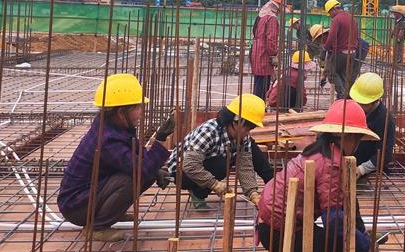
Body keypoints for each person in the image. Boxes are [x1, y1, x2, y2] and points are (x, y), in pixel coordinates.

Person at [256, 99, 387, 252]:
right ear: (347, 137)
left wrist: (361, 234)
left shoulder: (322, 151)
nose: (357, 145)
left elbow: (348, 202)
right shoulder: (331, 164)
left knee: (349, 240)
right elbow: (333, 220)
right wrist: (362, 245)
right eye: (358, 139)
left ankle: (289, 251)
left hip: (274, 223)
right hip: (279, 232)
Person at [58, 74, 174, 242]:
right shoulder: (108, 139)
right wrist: (160, 139)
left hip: (87, 195)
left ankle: (110, 213)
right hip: (77, 206)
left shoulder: (113, 127)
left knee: (146, 172)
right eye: (137, 107)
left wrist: (155, 170)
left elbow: (138, 157)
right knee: (132, 178)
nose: (141, 112)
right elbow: (141, 169)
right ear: (121, 112)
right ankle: (97, 227)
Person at [164, 94, 274, 210]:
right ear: (236, 122)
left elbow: (245, 167)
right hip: (180, 172)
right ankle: (198, 192)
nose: (248, 133)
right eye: (247, 129)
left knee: (229, 159)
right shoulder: (209, 132)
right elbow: (190, 165)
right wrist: (215, 185)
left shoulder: (242, 138)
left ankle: (199, 192)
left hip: (202, 165)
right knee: (222, 164)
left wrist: (252, 194)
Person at [350, 72, 396, 178]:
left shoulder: (385, 119)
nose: (358, 105)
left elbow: (385, 154)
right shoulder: (353, 106)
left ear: (375, 100)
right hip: (350, 161)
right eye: (357, 101)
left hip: (371, 170)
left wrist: (361, 170)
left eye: (363, 103)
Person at [322, 0, 360, 99]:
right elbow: (357, 36)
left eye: (330, 13)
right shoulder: (353, 18)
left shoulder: (337, 19)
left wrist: (325, 49)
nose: (330, 16)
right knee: (343, 75)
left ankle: (342, 94)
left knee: (331, 73)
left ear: (333, 9)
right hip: (353, 53)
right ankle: (345, 98)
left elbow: (332, 36)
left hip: (341, 53)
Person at [250, 0, 284, 100]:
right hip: (264, 54)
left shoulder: (261, 17)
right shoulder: (272, 19)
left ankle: (256, 105)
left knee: (258, 82)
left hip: (256, 51)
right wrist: (274, 55)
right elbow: (271, 40)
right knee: (263, 85)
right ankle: (259, 106)